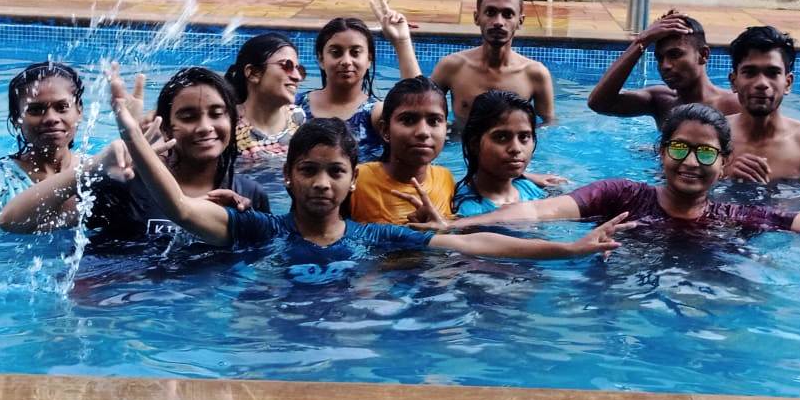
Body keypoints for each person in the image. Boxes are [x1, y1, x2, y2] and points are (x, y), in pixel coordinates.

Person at [106, 95, 630, 263]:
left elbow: (477, 243)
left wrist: (568, 250)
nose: (322, 183)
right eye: (308, 170)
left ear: (353, 181)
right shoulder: (260, 230)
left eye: (335, 171)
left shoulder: (374, 236)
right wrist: (131, 133)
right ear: (286, 177)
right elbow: (180, 208)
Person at [402, 104, 800, 250]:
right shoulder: (619, 195)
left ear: (723, 164)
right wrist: (458, 225)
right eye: (680, 149)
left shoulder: (735, 215)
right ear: (662, 153)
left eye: (706, 153)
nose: (690, 162)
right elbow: (539, 211)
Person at [0, 66, 270, 241]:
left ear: (233, 120)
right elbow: (13, 221)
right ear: (165, 126)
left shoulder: (248, 194)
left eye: (217, 114)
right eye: (188, 117)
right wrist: (97, 165)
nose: (204, 127)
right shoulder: (128, 186)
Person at [296, 0, 421, 162]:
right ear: (320, 59)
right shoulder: (296, 107)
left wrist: (402, 41)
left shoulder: (374, 114)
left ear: (369, 59)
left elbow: (418, 110)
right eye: (336, 53)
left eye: (355, 53)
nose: (346, 61)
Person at [0, 61, 91, 220]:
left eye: (62, 107)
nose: (51, 118)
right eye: (36, 110)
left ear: (79, 111)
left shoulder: (96, 173)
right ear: (16, 119)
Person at [430, 0, 554, 128]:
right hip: (460, 142)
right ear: (477, 18)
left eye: (508, 14)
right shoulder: (451, 67)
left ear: (520, 21)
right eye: (490, 13)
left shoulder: (535, 74)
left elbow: (548, 126)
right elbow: (423, 110)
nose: (498, 22)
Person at [724, 26, 800, 186]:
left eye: (772, 73)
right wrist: (724, 176)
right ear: (734, 82)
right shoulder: (713, 137)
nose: (762, 83)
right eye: (750, 72)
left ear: (788, 83)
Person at [587, 12, 739, 126]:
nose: (665, 66)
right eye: (659, 58)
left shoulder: (734, 104)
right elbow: (599, 104)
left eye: (675, 54)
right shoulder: (661, 101)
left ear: (703, 55)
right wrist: (641, 42)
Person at [348, 76, 457, 225]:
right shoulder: (356, 181)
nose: (423, 132)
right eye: (408, 120)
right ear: (385, 130)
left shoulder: (446, 179)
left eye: (434, 121)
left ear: (446, 128)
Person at [452, 90, 551, 216]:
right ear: (474, 144)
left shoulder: (529, 189)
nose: (516, 148)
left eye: (524, 137)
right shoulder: (466, 209)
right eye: (501, 137)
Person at [224, 33, 307, 163]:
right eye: (286, 66)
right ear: (253, 73)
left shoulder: (297, 117)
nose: (297, 77)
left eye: (298, 69)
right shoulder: (228, 124)